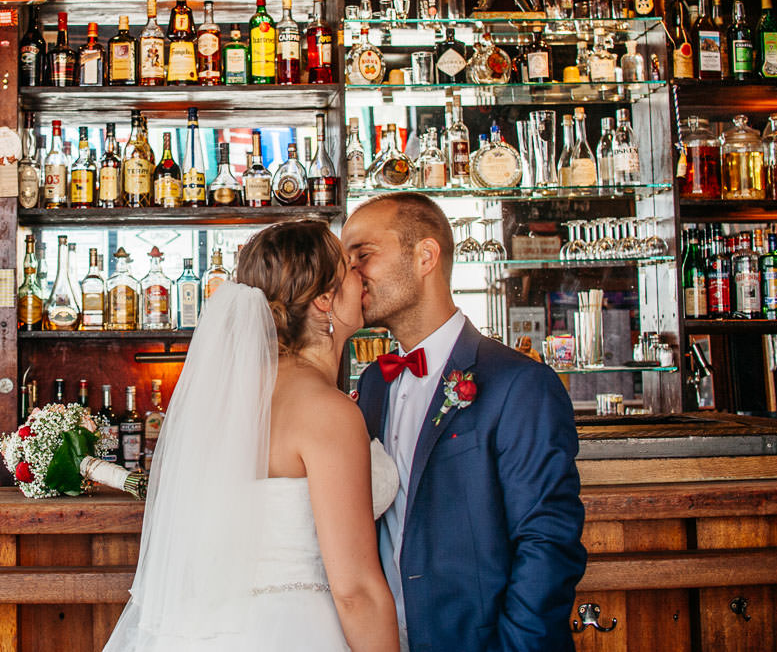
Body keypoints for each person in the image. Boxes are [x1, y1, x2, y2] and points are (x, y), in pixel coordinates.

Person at [103, 220, 400, 652]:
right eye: (349, 267)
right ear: (323, 300)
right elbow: (355, 590)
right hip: (293, 631)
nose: (362, 273)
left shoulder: (224, 402)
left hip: (206, 629)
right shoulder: (327, 412)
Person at [343, 193, 586, 652]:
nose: (351, 275)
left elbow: (548, 544)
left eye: (363, 256)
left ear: (425, 256)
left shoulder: (520, 384)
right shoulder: (373, 381)